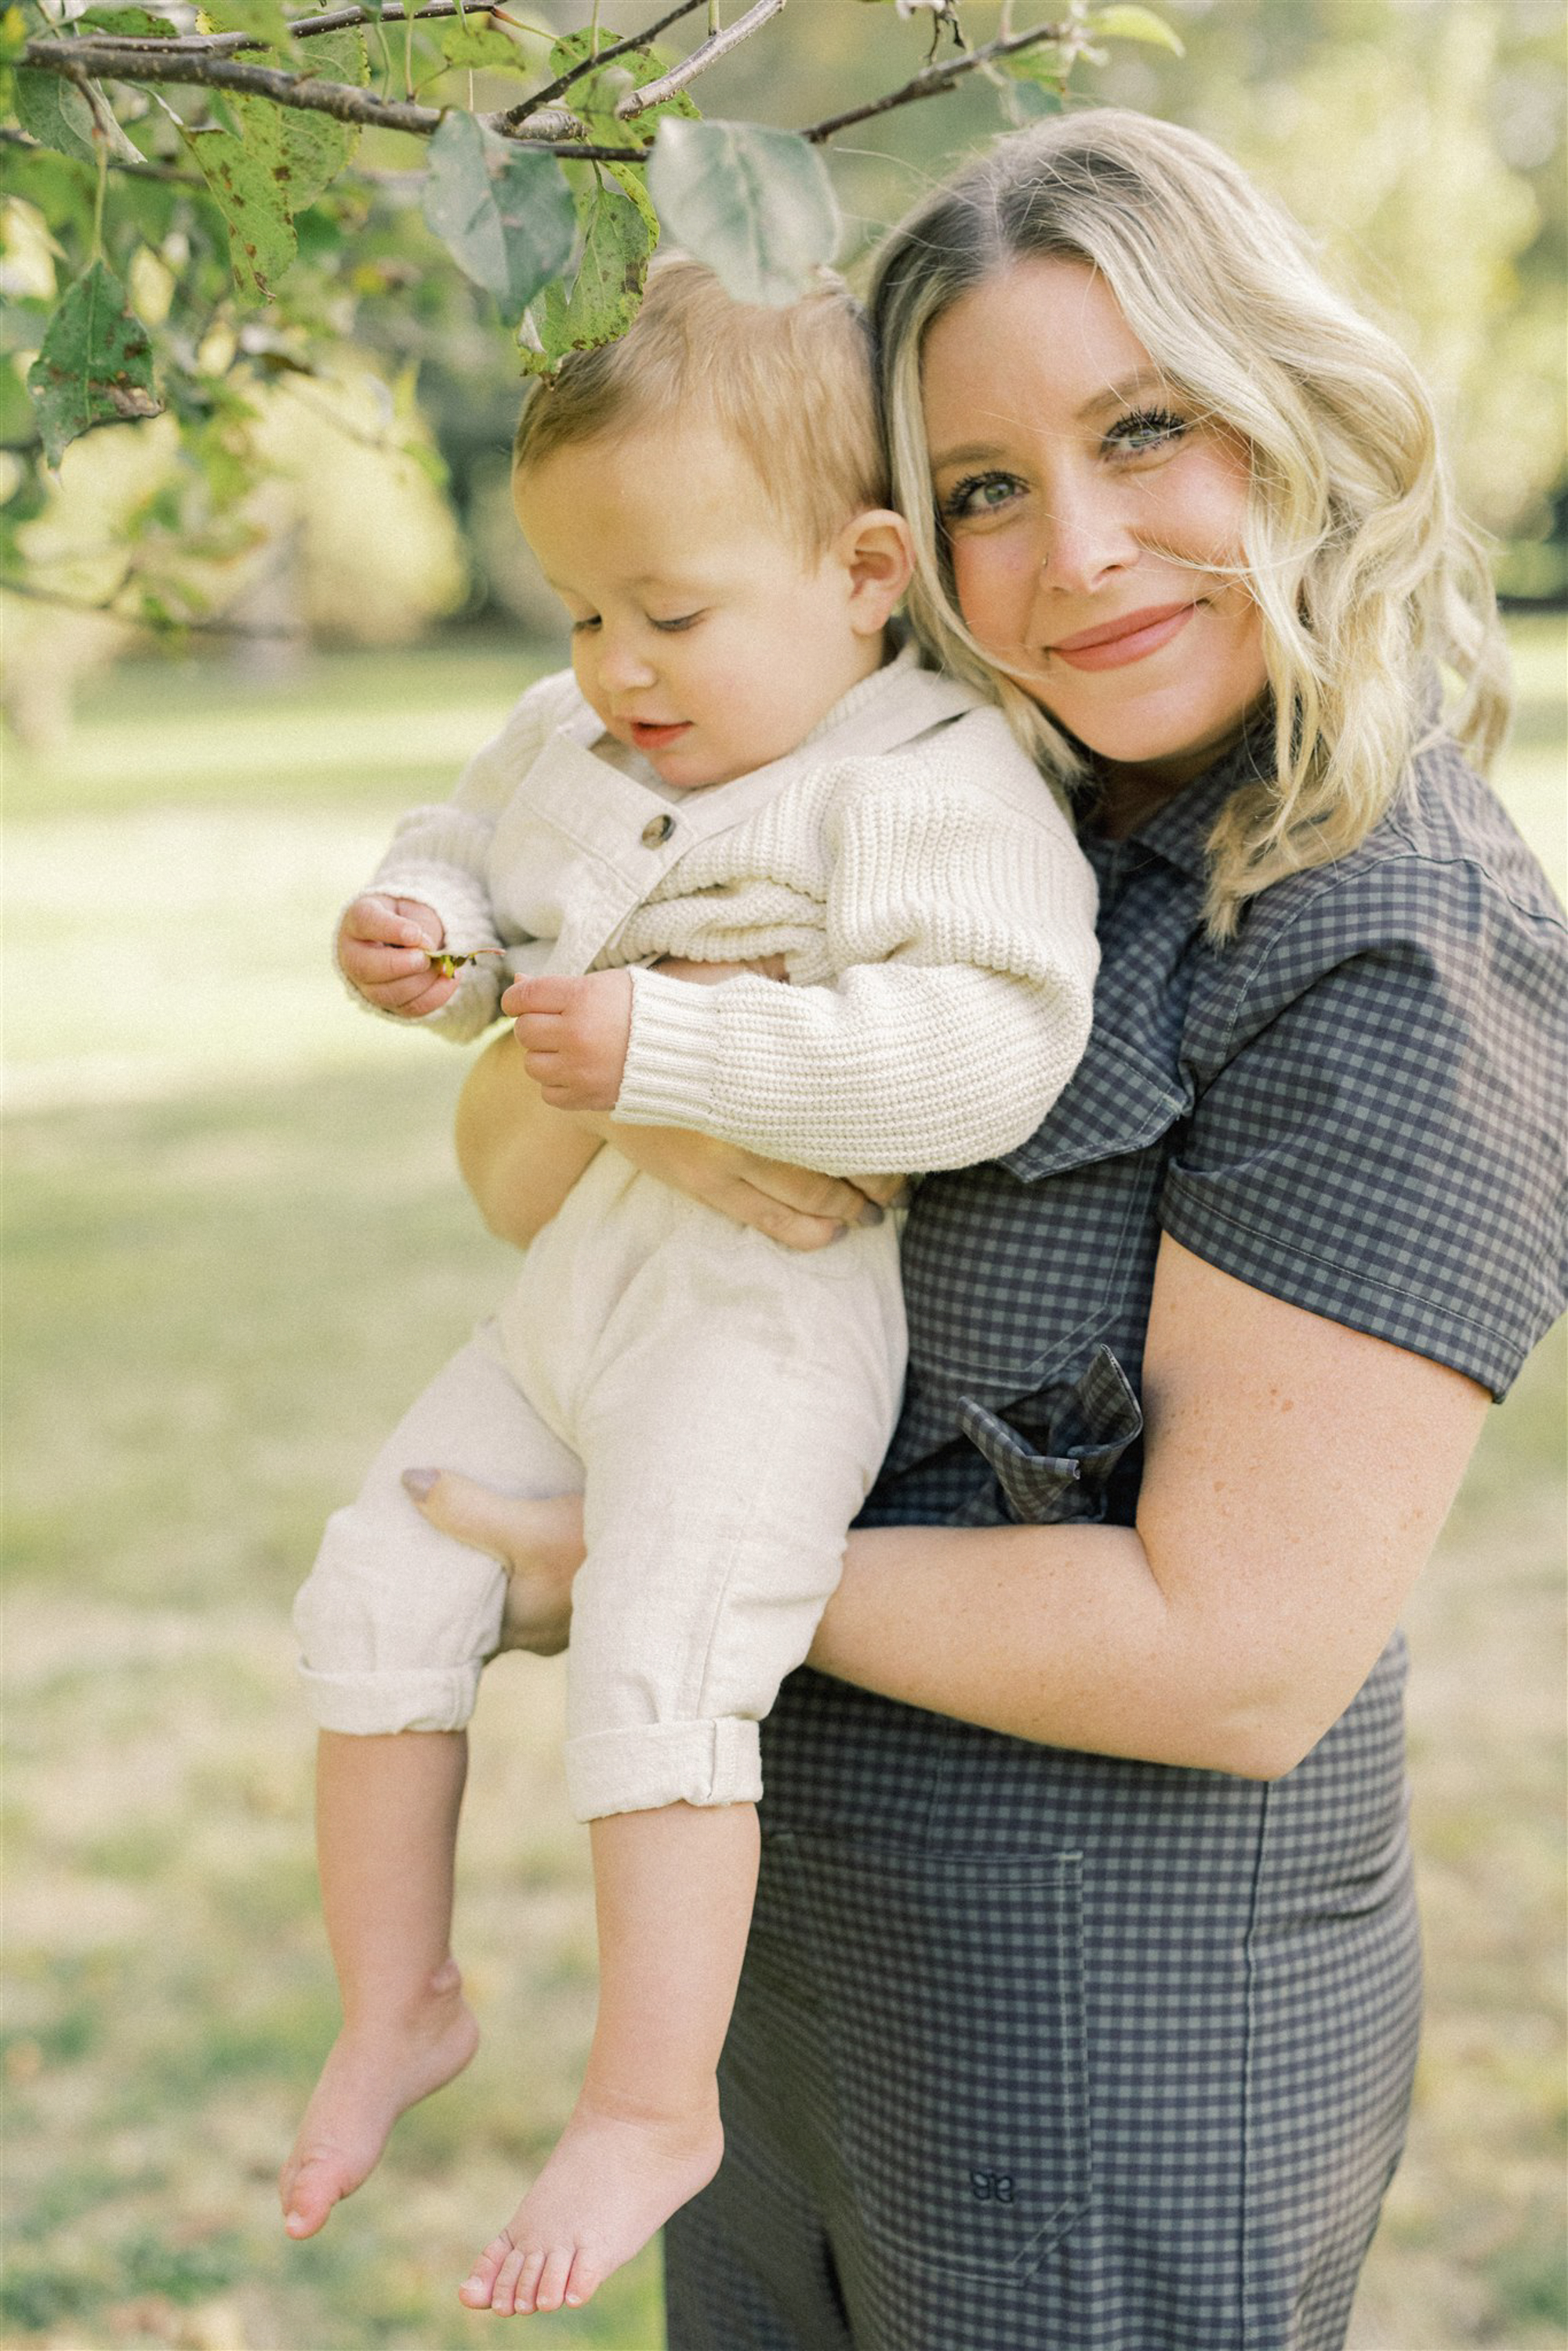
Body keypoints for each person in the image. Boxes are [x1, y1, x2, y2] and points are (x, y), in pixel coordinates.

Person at [416, 110, 1568, 2349]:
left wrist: (650, 1554)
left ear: (1294, 414)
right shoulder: (951, 804)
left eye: (1146, 431)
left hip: (1100, 2042)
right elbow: (513, 1150)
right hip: (798, 1979)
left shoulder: (1392, 940)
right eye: (980, 488)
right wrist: (655, 1090)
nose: (1079, 552)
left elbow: (1237, 1652)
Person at [278, 259, 1100, 2318]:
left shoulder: (929, 782)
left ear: (863, 574)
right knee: (376, 1577)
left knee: (664, 1643)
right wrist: (420, 932)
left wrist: (670, 1046)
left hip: (764, 1316)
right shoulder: (580, 733)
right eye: (578, 614)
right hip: (574, 1296)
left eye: (666, 614)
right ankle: (397, 2001)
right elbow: (476, 858)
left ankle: (653, 2101)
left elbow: (993, 1048)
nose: (613, 668)